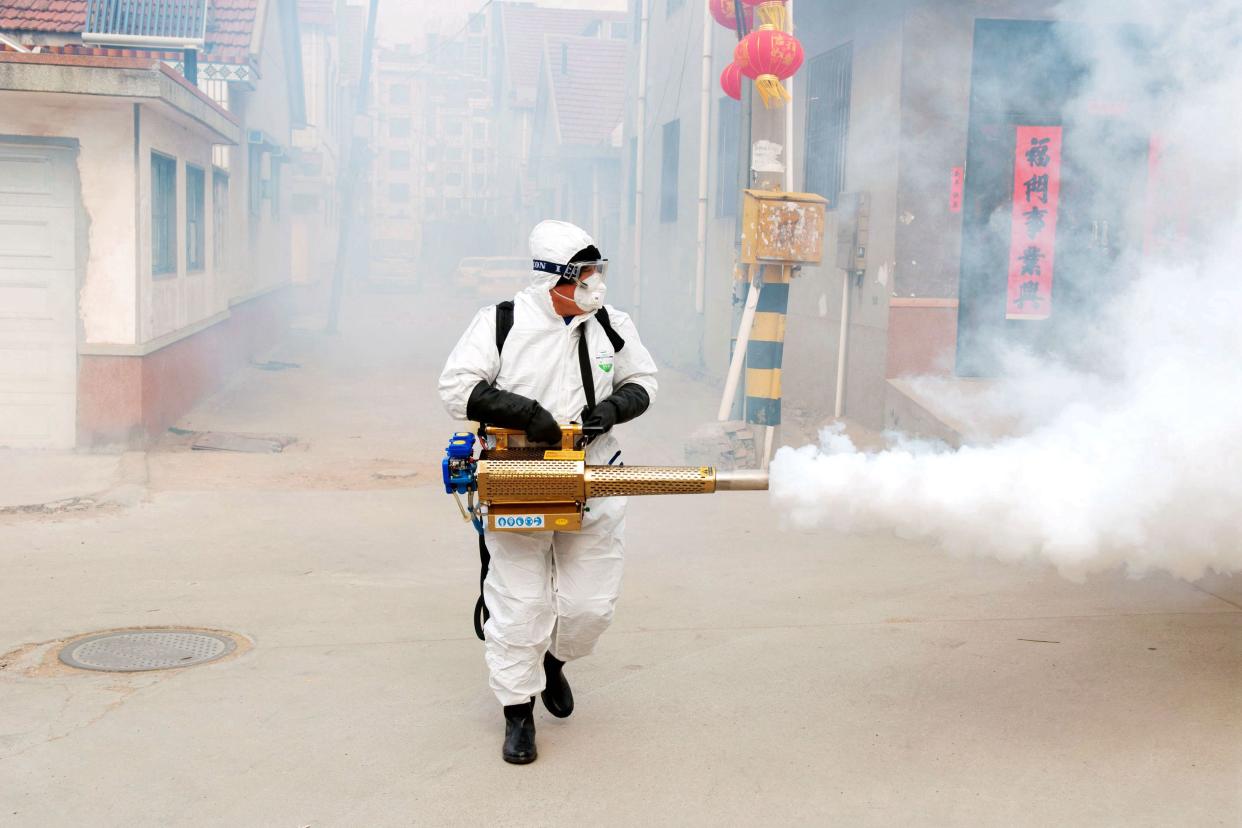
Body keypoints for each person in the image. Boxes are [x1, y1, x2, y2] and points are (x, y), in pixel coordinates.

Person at [438, 220, 659, 764]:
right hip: (521, 480)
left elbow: (644, 382)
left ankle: (556, 659)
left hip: (596, 476)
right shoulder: (502, 324)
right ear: (555, 279)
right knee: (520, 603)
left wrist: (611, 408)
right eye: (585, 275)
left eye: (597, 273)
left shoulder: (611, 324)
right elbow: (457, 389)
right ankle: (518, 713)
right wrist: (527, 414)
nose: (594, 285)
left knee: (590, 606)